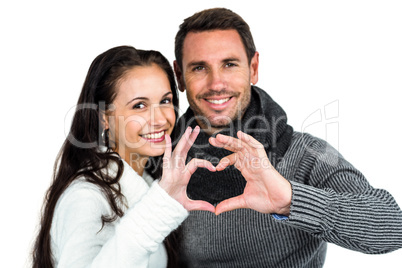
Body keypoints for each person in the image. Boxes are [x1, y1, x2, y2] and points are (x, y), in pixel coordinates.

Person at [172, 8, 402, 267]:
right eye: (199, 67)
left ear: (253, 67)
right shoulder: (164, 161)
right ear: (180, 75)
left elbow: (393, 227)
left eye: (229, 64)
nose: (216, 83)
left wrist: (290, 200)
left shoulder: (306, 154)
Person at [31, 45, 216, 268]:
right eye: (139, 105)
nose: (159, 119)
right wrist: (160, 209)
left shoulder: (150, 185)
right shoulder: (86, 197)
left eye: (165, 101)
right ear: (104, 119)